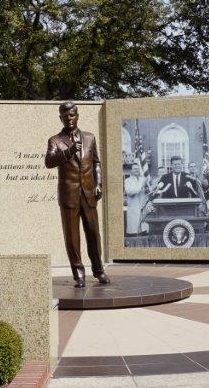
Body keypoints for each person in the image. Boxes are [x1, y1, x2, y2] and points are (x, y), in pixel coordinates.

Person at [45, 102, 109, 287]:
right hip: (69, 195)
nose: (69, 118)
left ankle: (99, 271)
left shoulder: (89, 138)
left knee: (93, 234)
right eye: (65, 116)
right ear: (60, 118)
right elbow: (49, 161)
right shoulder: (55, 141)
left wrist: (99, 183)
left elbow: (96, 162)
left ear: (77, 115)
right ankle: (78, 273)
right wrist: (69, 151)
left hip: (88, 193)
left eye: (72, 115)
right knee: (72, 237)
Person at [124, 161, 150, 238]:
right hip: (133, 208)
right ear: (131, 171)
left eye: (138, 169)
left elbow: (148, 192)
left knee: (144, 232)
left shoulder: (143, 179)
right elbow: (129, 192)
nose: (137, 171)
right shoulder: (127, 181)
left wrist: (147, 189)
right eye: (135, 169)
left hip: (143, 207)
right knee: (133, 233)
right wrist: (141, 186)